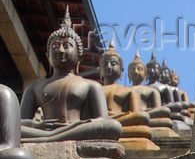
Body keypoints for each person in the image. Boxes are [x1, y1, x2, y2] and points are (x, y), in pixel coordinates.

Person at [20, 8, 121, 142]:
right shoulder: (34, 88)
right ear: (47, 56)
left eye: (66, 45)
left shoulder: (91, 86)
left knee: (112, 126)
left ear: (79, 56)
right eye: (55, 46)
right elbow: (18, 124)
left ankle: (50, 138)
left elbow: (102, 120)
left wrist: (76, 126)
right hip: (44, 130)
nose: (60, 50)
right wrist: (36, 125)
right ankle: (50, 137)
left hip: (75, 128)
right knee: (8, 128)